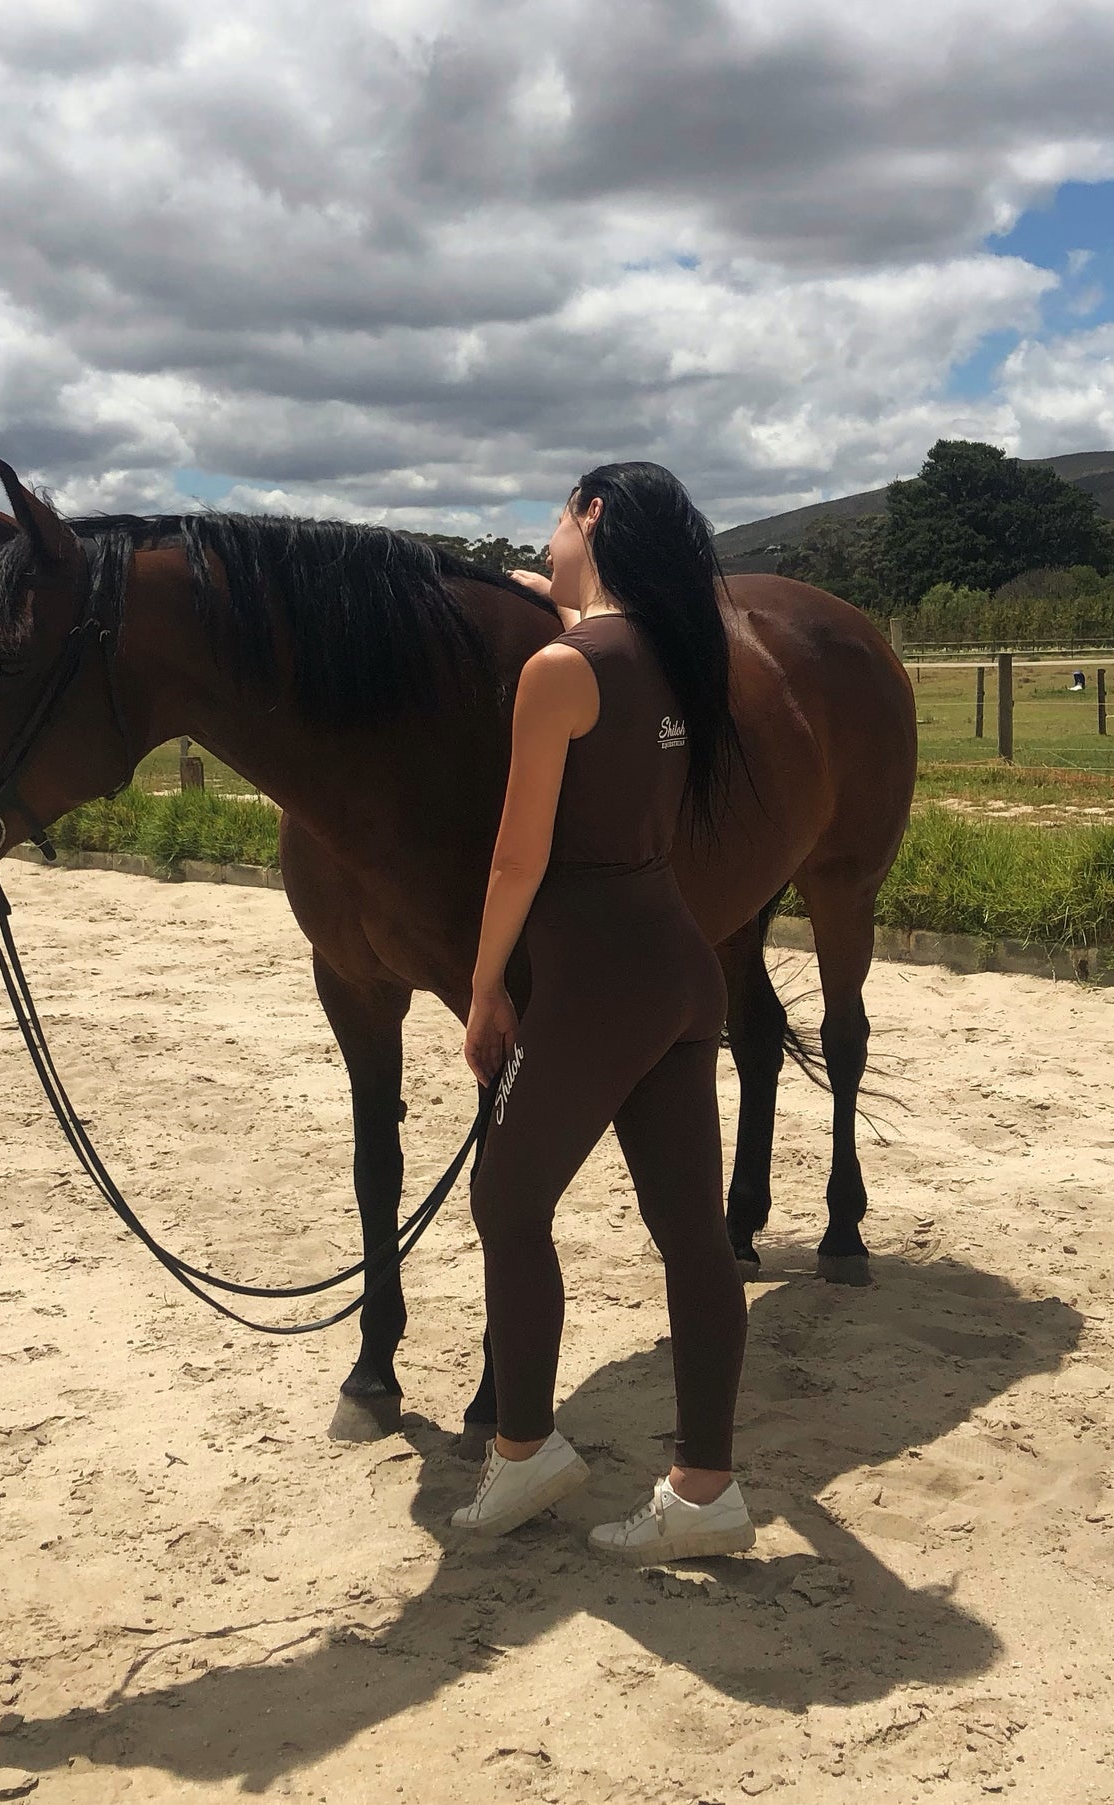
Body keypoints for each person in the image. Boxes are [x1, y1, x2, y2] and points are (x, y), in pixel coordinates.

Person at [452, 461, 755, 1563]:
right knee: (690, 1233)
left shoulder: (556, 671)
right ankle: (704, 1489)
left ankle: (526, 1450)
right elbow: (586, 616)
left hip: (594, 981)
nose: (549, 537)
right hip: (678, 963)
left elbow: (517, 853)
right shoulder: (678, 650)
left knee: (506, 1200)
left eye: (556, 517)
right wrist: (539, 584)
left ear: (589, 518)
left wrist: (487, 987)